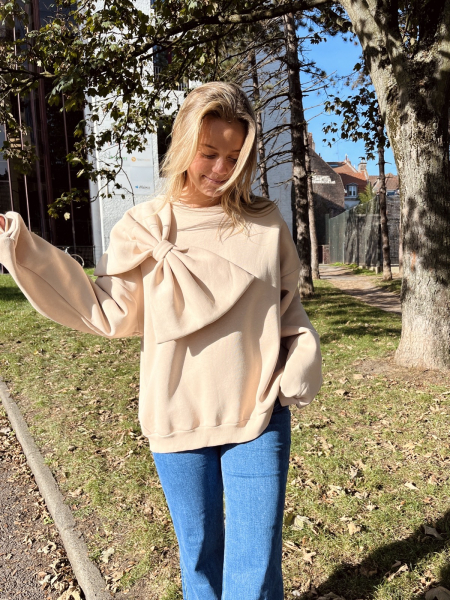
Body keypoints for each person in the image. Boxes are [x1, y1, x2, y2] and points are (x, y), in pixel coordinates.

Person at [0, 81, 322, 600]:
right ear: (184, 144)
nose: (220, 169)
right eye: (209, 153)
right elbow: (106, 311)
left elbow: (287, 309)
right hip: (176, 415)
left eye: (234, 157)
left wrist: (302, 352)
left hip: (259, 413)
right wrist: (22, 247)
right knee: (199, 561)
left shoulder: (265, 222)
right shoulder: (144, 227)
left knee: (256, 566)